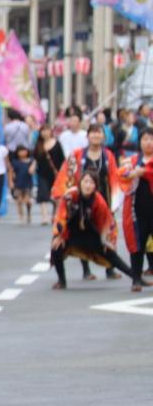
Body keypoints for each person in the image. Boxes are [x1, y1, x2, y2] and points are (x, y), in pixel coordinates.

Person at [53, 122, 123, 280]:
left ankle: (110, 268)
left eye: (99, 133)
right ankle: (86, 270)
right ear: (87, 135)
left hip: (103, 200)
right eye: (93, 132)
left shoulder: (108, 156)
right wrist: (64, 195)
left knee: (109, 232)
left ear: (104, 137)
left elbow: (114, 177)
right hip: (82, 201)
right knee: (83, 232)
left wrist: (115, 201)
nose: (96, 135)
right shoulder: (77, 155)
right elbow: (68, 175)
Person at [50, 170, 135, 290]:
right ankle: (61, 281)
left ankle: (136, 278)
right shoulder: (70, 195)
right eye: (85, 181)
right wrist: (59, 235)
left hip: (91, 233)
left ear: (95, 186)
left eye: (91, 182)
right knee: (56, 247)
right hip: (70, 232)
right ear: (80, 183)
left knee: (110, 254)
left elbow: (107, 223)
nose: (88, 185)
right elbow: (60, 217)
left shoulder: (99, 201)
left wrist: (108, 241)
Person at [119, 129, 153, 291]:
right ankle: (136, 279)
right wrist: (134, 173)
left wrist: (145, 172)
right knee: (137, 245)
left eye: (151, 139)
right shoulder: (132, 161)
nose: (148, 142)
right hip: (137, 210)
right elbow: (121, 174)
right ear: (140, 142)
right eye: (145, 139)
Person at [33, 124, 63, 225]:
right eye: (43, 131)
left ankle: (55, 215)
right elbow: (35, 158)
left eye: (47, 130)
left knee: (56, 196)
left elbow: (62, 159)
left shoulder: (57, 143)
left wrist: (62, 172)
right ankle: (44, 217)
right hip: (42, 173)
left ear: (51, 131)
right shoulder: (38, 144)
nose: (45, 133)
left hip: (55, 174)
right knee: (43, 195)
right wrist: (33, 166)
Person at [10, 145, 36, 224]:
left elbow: (32, 171)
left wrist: (33, 165)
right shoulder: (15, 161)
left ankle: (28, 213)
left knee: (27, 200)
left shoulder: (31, 161)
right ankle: (21, 215)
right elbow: (11, 172)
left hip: (28, 183)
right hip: (18, 183)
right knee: (19, 200)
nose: (22, 153)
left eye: (24, 151)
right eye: (20, 151)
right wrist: (10, 181)